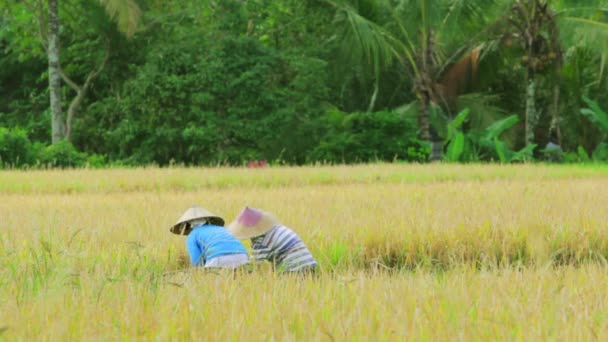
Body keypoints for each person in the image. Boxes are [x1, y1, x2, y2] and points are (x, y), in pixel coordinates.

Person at [227, 206, 317, 274]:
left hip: (294, 269)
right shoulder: (276, 228)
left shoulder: (260, 242)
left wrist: (237, 270)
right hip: (310, 264)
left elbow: (255, 264)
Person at [170, 206, 249, 269]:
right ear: (208, 220)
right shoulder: (222, 229)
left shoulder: (193, 235)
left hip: (218, 259)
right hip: (243, 257)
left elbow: (196, 262)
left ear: (188, 225)